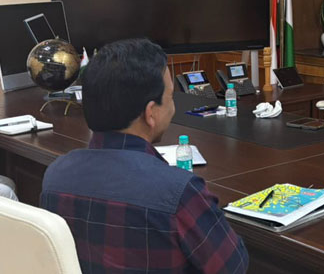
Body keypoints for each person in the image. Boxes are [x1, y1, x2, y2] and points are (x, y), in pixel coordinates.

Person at [41, 39, 248, 273]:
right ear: (151, 113)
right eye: (170, 98)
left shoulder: (55, 174)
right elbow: (233, 266)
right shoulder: (179, 191)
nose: (172, 107)